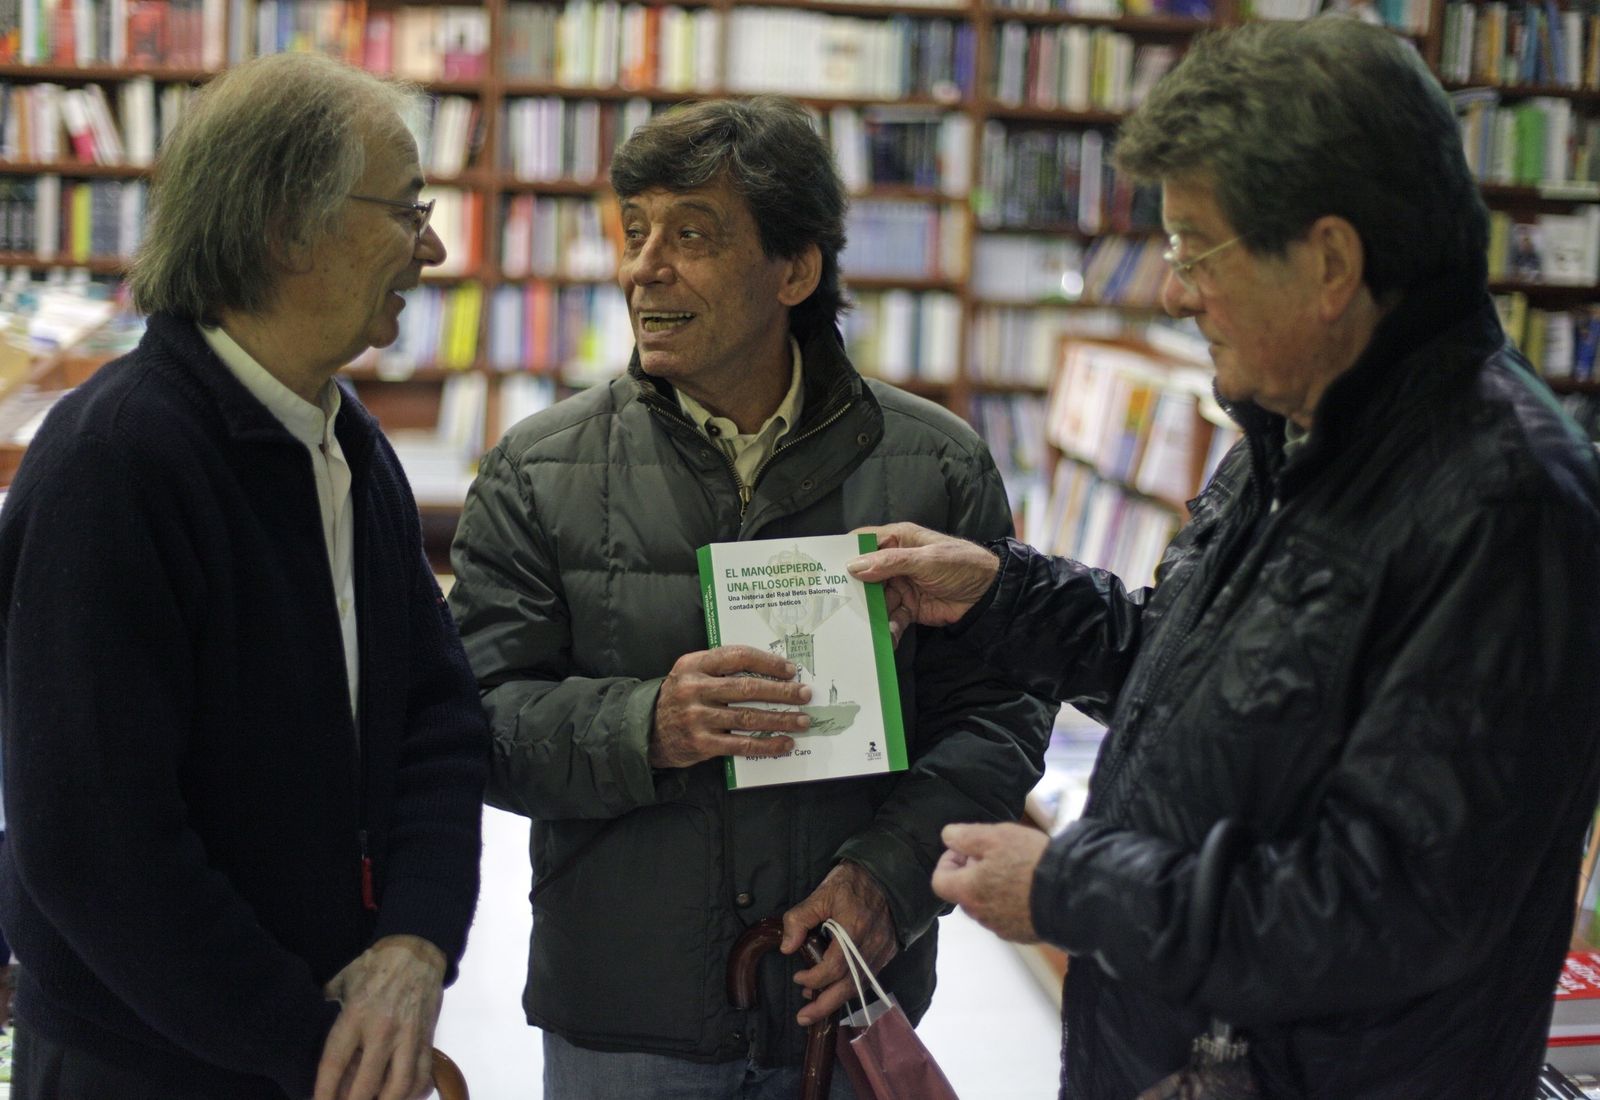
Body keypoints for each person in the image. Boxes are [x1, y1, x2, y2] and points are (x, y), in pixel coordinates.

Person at [846, 17, 1600, 1099]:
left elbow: (1386, 906)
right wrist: (1000, 592)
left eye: (1196, 247)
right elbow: (1198, 671)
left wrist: (1073, 889)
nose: (1171, 291)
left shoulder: (1504, 506)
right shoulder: (1291, 427)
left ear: (1330, 262)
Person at [446, 95, 1054, 1098]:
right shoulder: (536, 471)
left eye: (690, 234)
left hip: (845, 999)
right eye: (635, 230)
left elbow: (997, 713)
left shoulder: (936, 468)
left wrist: (888, 878)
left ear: (796, 269)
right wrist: (646, 723)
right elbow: (473, 715)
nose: (644, 265)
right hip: (624, 1011)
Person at [0, 52, 489, 1100]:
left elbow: (438, 714)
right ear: (285, 228)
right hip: (148, 1063)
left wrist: (414, 941)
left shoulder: (349, 443)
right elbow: (92, 841)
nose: (433, 246)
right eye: (407, 209)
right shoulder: (113, 463)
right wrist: (315, 1040)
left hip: (317, 1042)